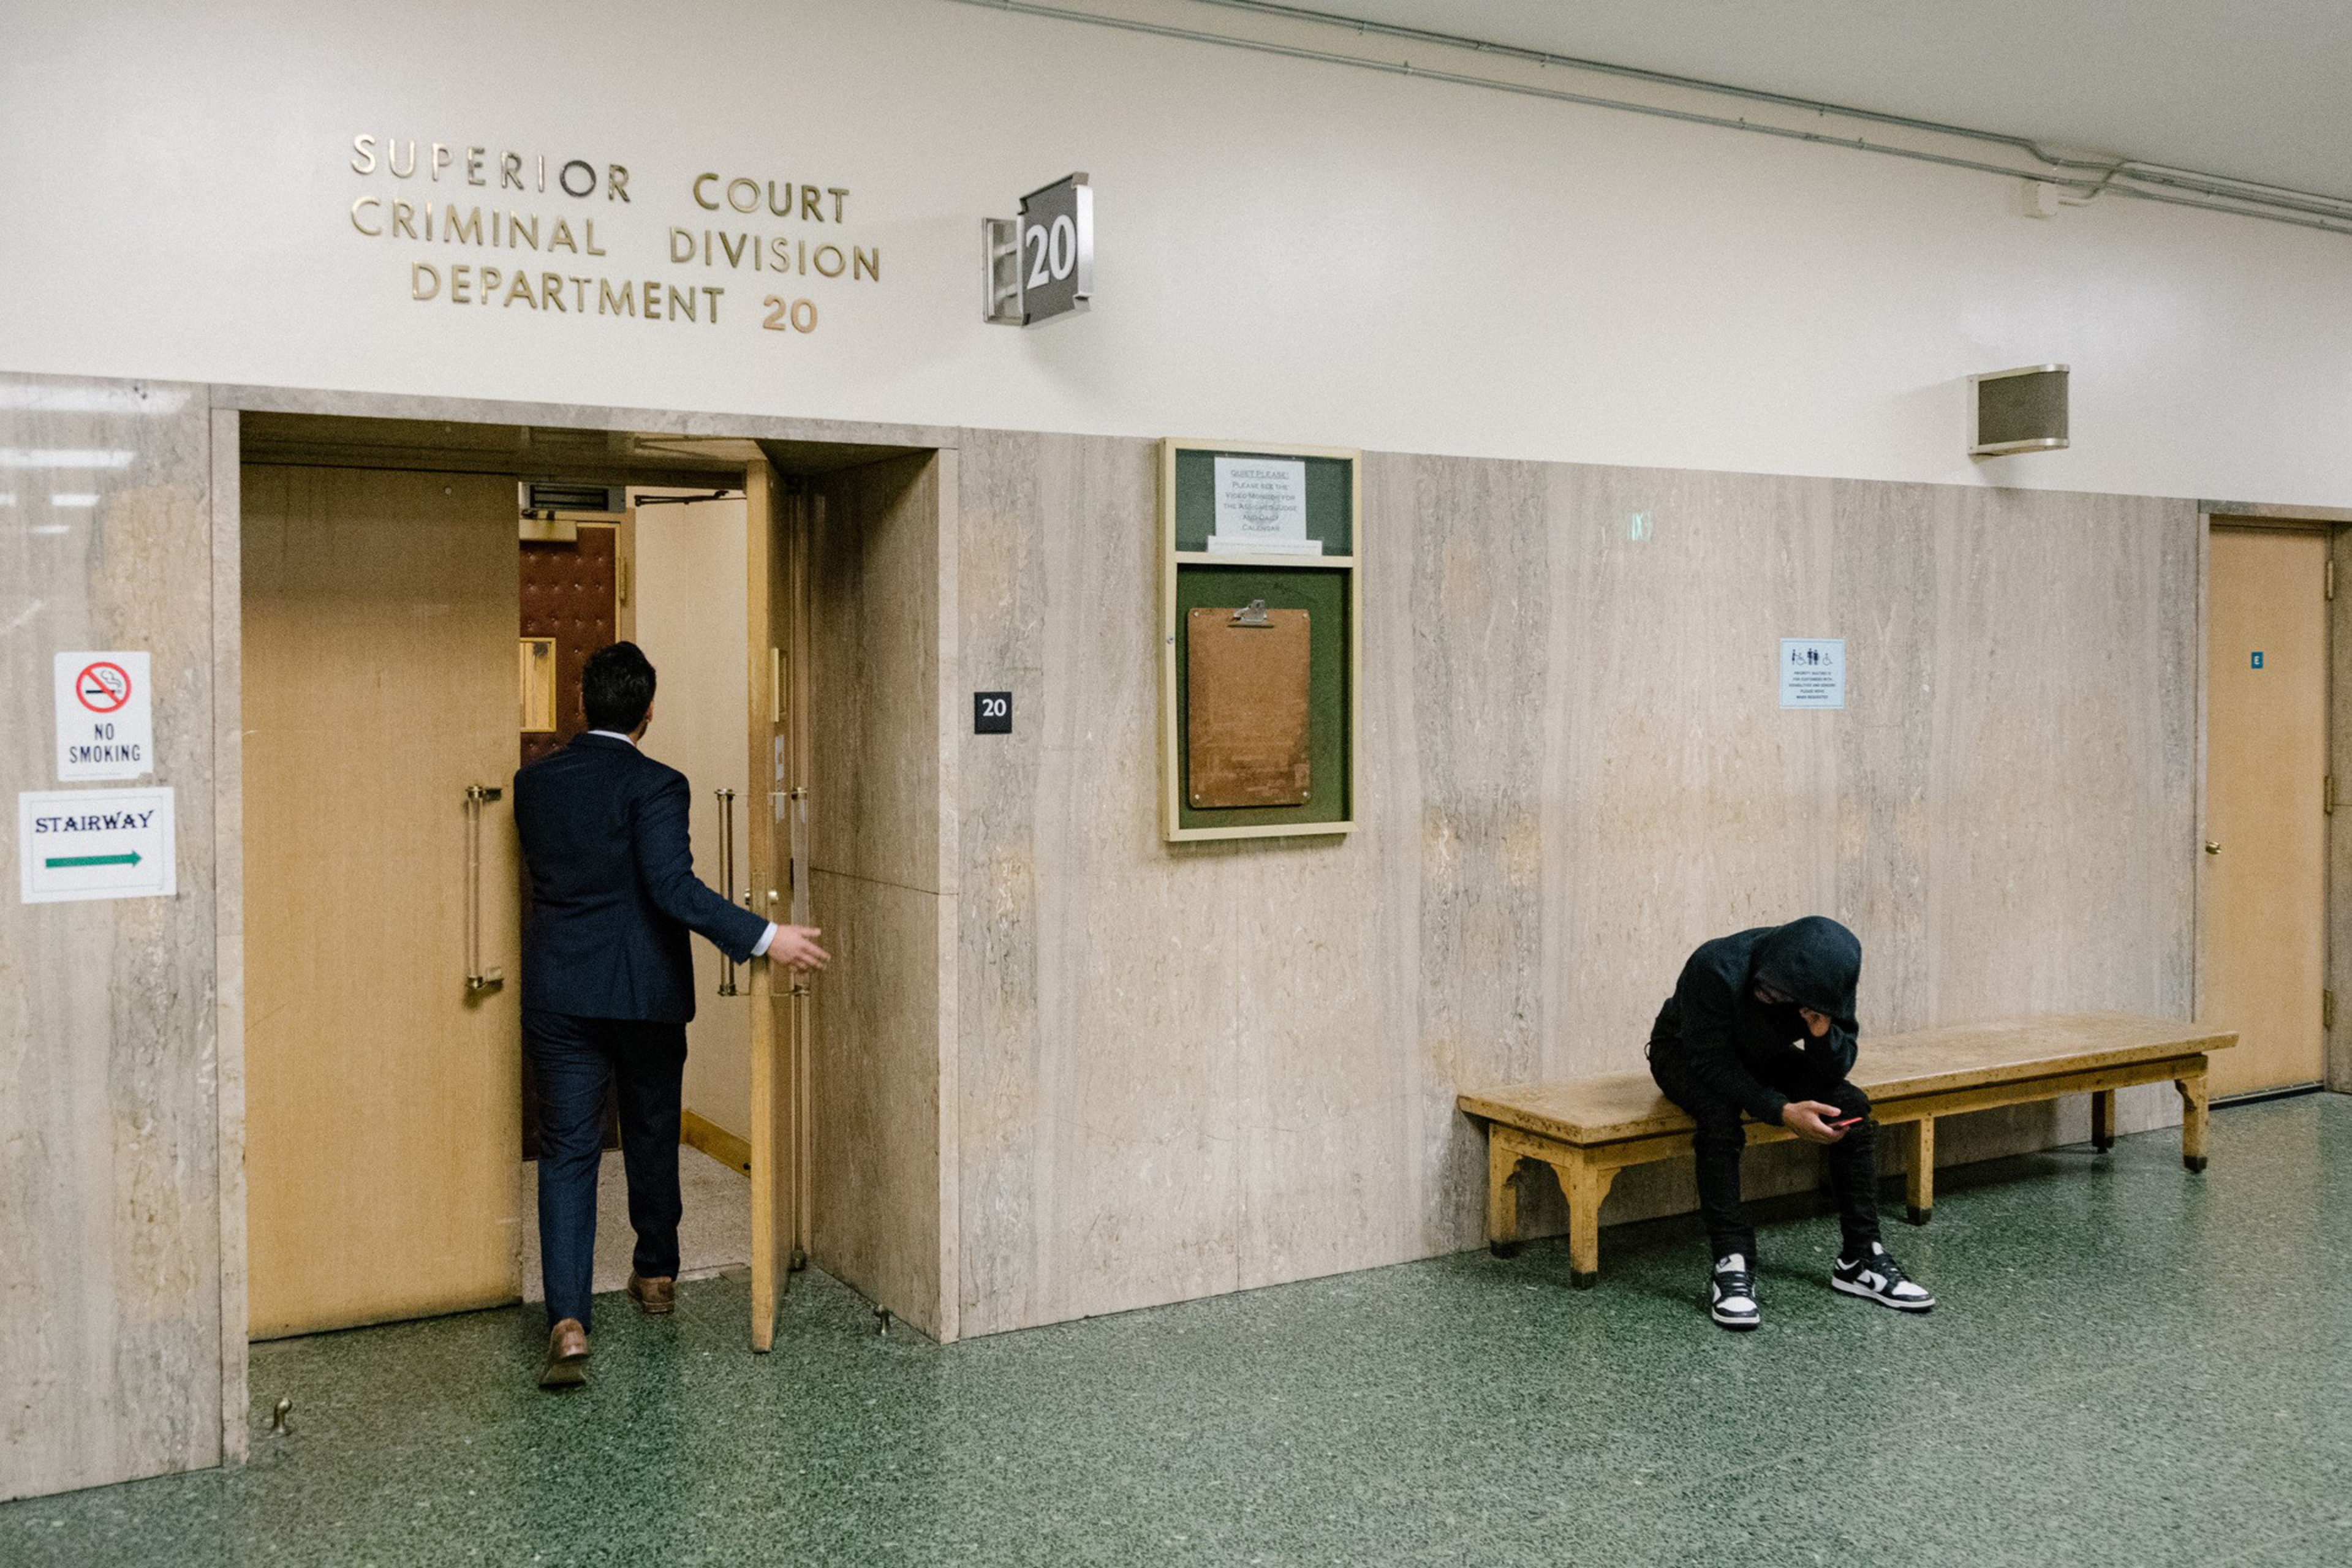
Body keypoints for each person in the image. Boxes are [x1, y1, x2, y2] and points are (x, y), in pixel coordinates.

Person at [513, 641, 829, 1388]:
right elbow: (669, 887)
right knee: (653, 1129)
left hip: (560, 991)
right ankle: (655, 1276)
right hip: (644, 992)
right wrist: (765, 936)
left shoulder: (533, 785)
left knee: (567, 1151)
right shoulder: (660, 785)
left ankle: (566, 1320)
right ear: (648, 713)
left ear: (581, 703)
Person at [1646, 916, 1934, 1331]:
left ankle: (1860, 1257)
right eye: (1764, 988)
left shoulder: (1828, 980)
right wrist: (1781, 1111)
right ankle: (1732, 1261)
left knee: (1848, 1107)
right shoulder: (1715, 966)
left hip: (1760, 1052)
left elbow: (1833, 1070)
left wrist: (1819, 1033)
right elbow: (1712, 1063)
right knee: (1719, 1117)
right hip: (1685, 1053)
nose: (1767, 995)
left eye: (1779, 996)